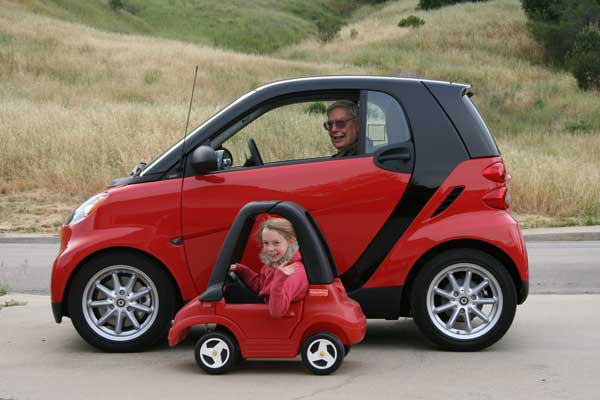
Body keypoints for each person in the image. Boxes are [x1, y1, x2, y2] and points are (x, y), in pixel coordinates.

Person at [229, 217, 308, 318]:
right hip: (265, 304)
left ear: (291, 242)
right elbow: (260, 286)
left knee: (230, 292)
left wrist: (279, 279)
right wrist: (242, 270)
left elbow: (276, 312)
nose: (270, 249)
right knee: (232, 290)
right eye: (266, 243)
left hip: (274, 314)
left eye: (276, 243)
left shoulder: (293, 272)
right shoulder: (272, 264)